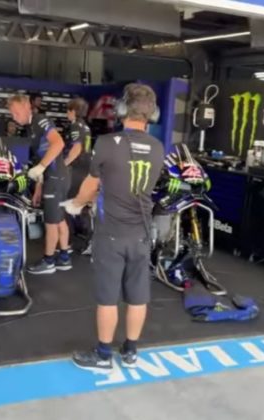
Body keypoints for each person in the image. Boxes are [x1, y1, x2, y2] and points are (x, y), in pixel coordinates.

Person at [61, 83, 164, 371]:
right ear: (152, 113)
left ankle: (104, 355)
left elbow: (90, 186)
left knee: (108, 298)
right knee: (138, 296)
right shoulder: (158, 147)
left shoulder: (106, 143)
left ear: (121, 109)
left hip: (111, 235)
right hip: (142, 235)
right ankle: (130, 352)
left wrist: (76, 204)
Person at [7, 94, 72, 274]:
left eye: (16, 112)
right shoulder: (30, 129)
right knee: (59, 219)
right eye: (12, 114)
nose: (14, 117)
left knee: (51, 222)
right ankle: (64, 258)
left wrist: (42, 166)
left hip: (56, 177)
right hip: (53, 178)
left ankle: (48, 261)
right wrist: (38, 189)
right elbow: (40, 162)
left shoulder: (39, 120)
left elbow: (58, 143)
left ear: (26, 106)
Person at [63, 98, 93, 255]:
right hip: (86, 169)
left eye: (68, 111)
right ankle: (88, 240)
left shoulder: (75, 126)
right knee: (81, 204)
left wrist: (64, 164)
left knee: (67, 204)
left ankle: (67, 242)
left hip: (76, 170)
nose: (67, 114)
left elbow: (76, 148)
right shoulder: (86, 126)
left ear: (73, 111)